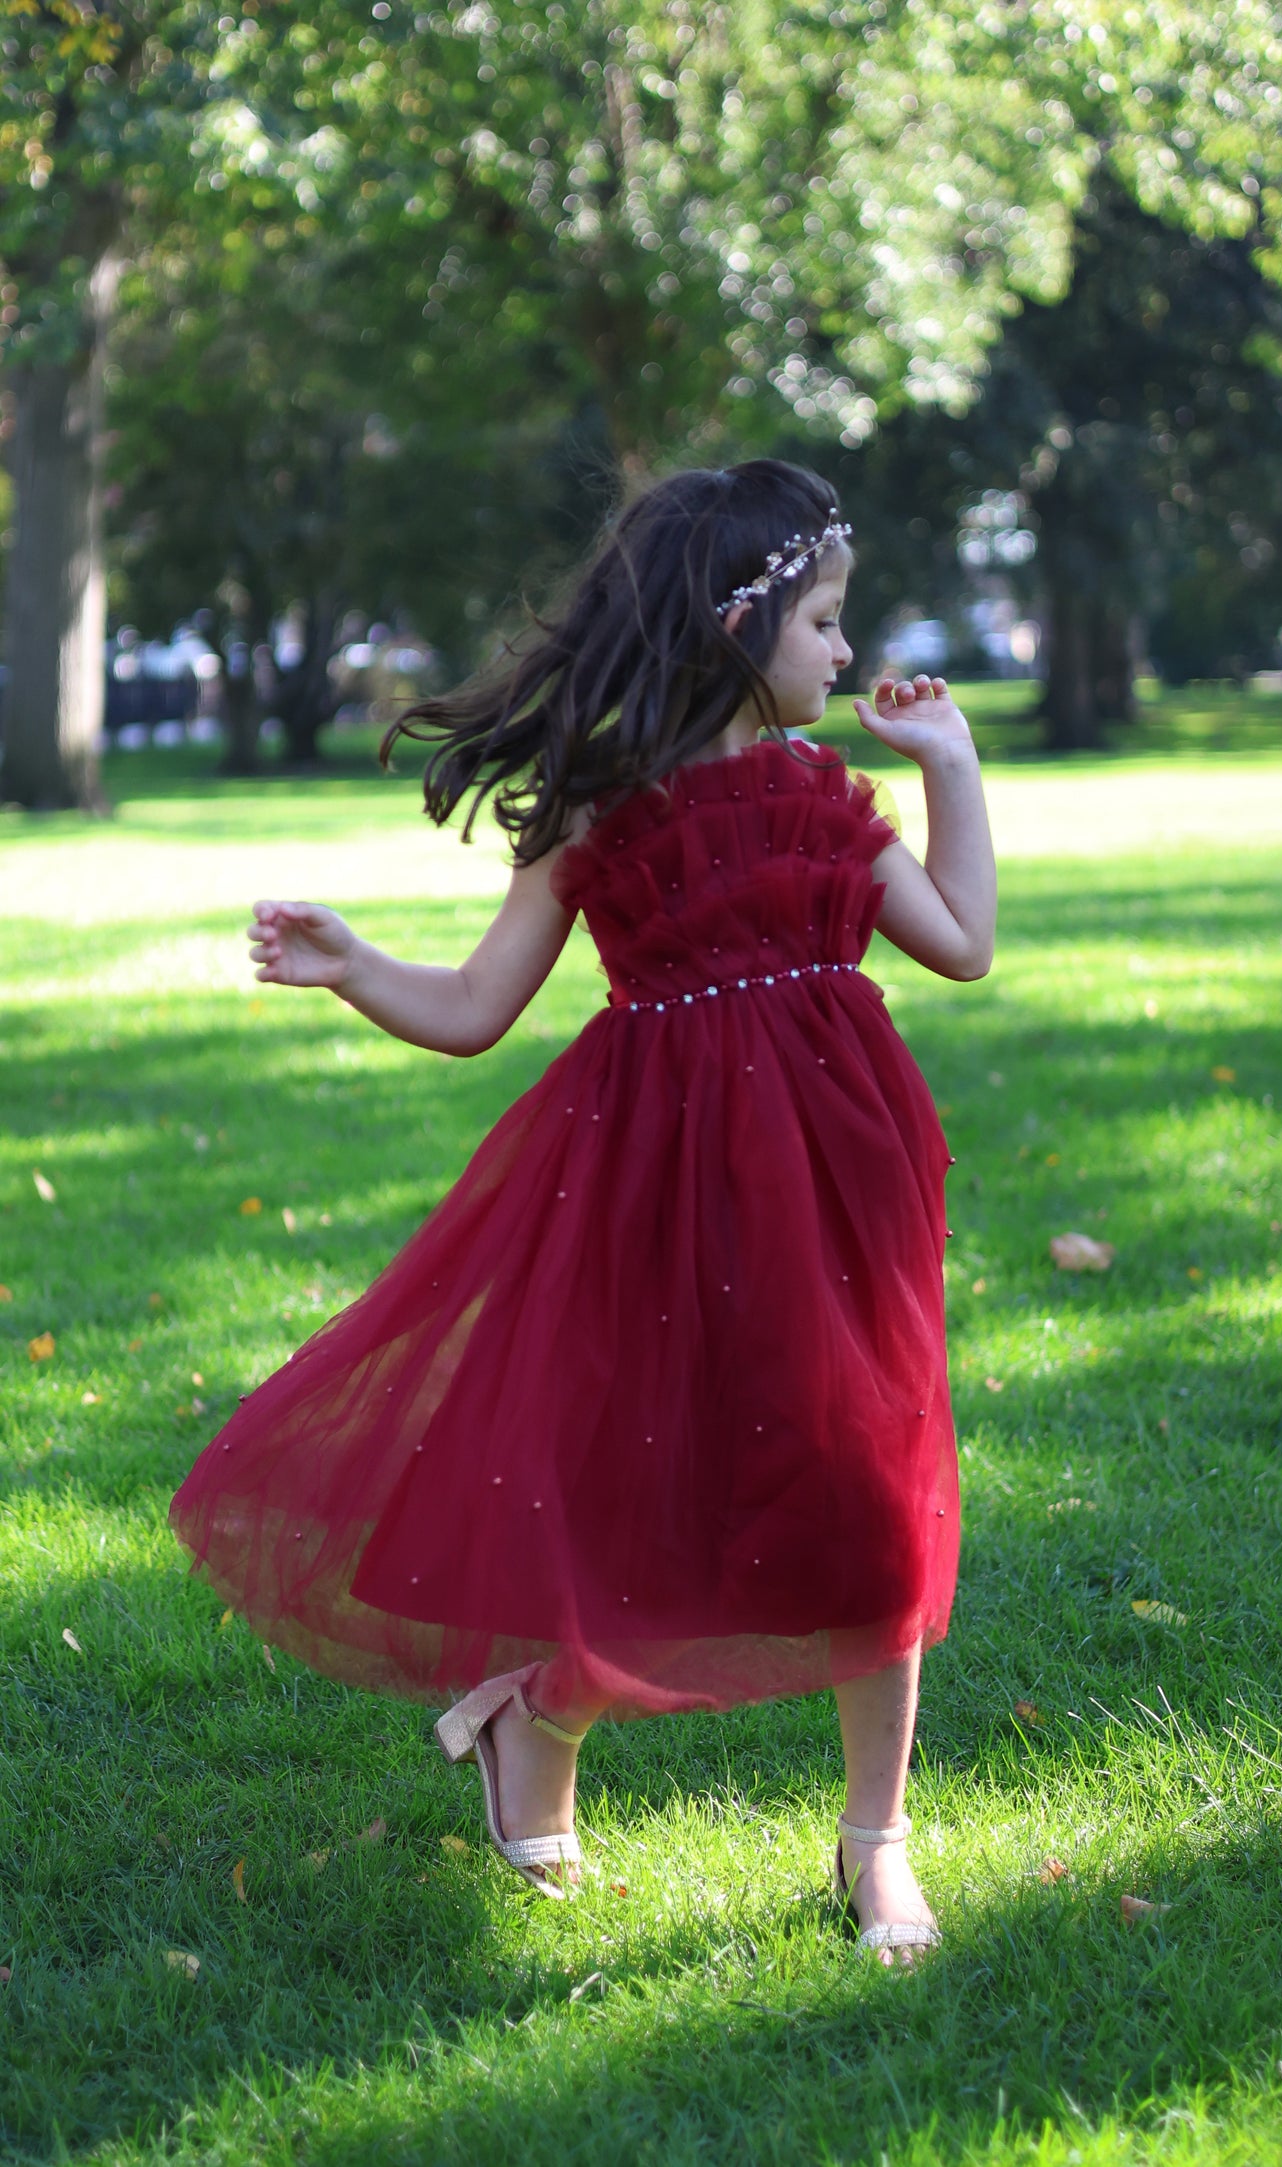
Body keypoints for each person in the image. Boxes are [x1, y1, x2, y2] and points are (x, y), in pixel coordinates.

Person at [170, 459, 997, 1962]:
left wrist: (948, 766)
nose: (838, 649)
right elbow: (481, 1006)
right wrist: (356, 967)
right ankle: (532, 1714)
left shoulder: (831, 803)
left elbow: (963, 945)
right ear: (731, 622)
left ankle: (875, 1841)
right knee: (663, 1501)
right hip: (660, 1199)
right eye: (819, 618)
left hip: (844, 1183)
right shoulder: (603, 821)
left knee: (873, 1494)